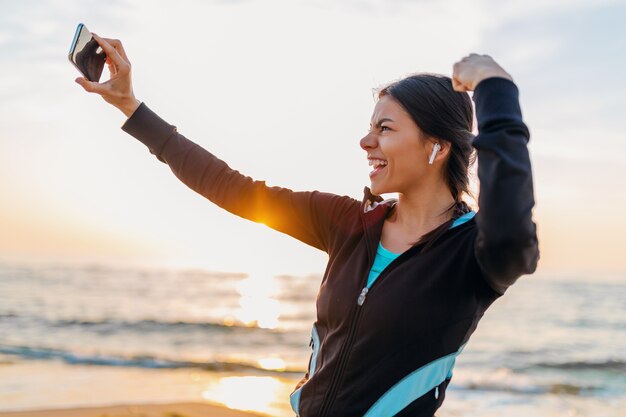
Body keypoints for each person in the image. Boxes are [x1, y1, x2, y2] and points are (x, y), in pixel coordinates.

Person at [76, 33, 539, 417]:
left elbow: (513, 230)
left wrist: (496, 88)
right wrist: (131, 108)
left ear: (436, 147)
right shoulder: (348, 223)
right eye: (370, 127)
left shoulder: (474, 255)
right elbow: (234, 189)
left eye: (385, 129)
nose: (365, 141)